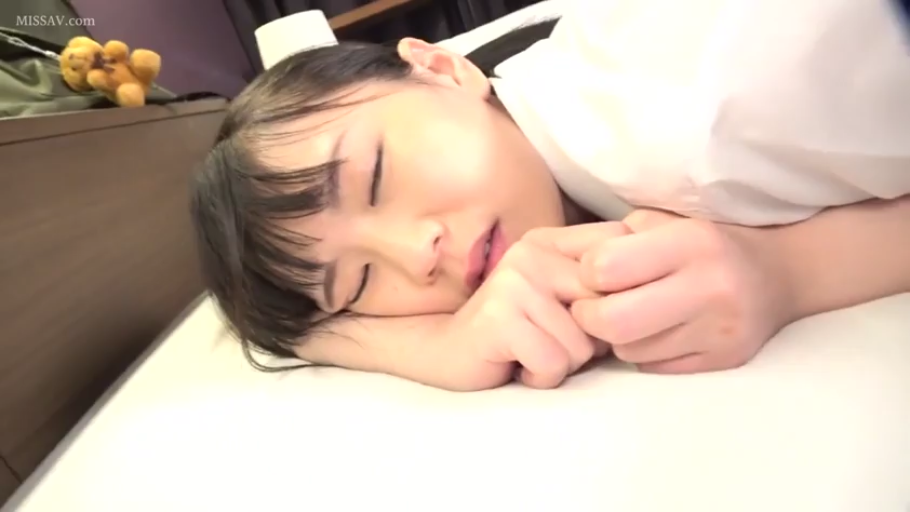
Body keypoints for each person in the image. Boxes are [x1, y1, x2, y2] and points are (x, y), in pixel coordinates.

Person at [191, 0, 910, 391]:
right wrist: (415, 342)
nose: (417, 252)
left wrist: (787, 273)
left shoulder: (701, 123)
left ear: (441, 67)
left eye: (375, 177)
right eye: (361, 281)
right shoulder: (548, 84)